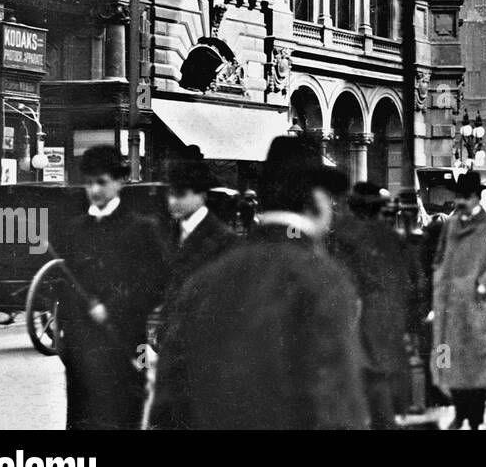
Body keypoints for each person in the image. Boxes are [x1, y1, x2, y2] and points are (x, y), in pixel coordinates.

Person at [150, 137, 367, 429]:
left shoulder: (206, 276)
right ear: (316, 199)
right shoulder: (323, 278)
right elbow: (336, 403)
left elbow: (168, 394)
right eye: (330, 199)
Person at [58, 146, 168, 430]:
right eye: (89, 182)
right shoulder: (73, 230)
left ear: (119, 182)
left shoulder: (141, 229)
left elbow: (154, 284)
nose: (94, 189)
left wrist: (113, 308)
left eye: (102, 181)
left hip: (123, 346)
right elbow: (65, 287)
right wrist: (67, 343)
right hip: (81, 354)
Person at [430, 170, 486, 431]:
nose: (461, 202)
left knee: (479, 363)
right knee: (452, 362)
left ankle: (475, 419)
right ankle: (459, 414)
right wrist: (439, 287)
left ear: (477, 198)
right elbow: (439, 258)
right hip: (452, 306)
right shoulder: (450, 225)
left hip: (480, 304)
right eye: (458, 197)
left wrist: (484, 284)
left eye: (466, 197)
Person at [330, 182, 413, 430]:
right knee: (380, 372)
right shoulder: (388, 237)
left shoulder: (341, 234)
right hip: (385, 314)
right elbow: (404, 279)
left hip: (358, 314)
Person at [158, 149, 237, 350]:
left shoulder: (224, 240)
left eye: (181, 195)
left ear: (201, 195)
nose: (172, 202)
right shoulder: (166, 233)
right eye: (170, 194)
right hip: (172, 342)